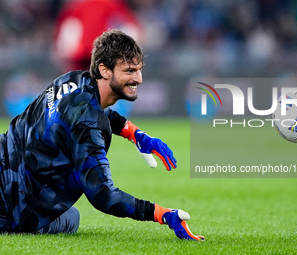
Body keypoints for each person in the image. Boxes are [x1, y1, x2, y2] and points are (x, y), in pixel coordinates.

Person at [0, 29, 204, 241]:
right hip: (11, 207)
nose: (139, 79)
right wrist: (162, 214)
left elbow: (94, 111)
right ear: (105, 70)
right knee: (71, 218)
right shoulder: (88, 125)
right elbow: (103, 195)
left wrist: (136, 135)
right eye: (129, 71)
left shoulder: (72, 80)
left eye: (139, 70)